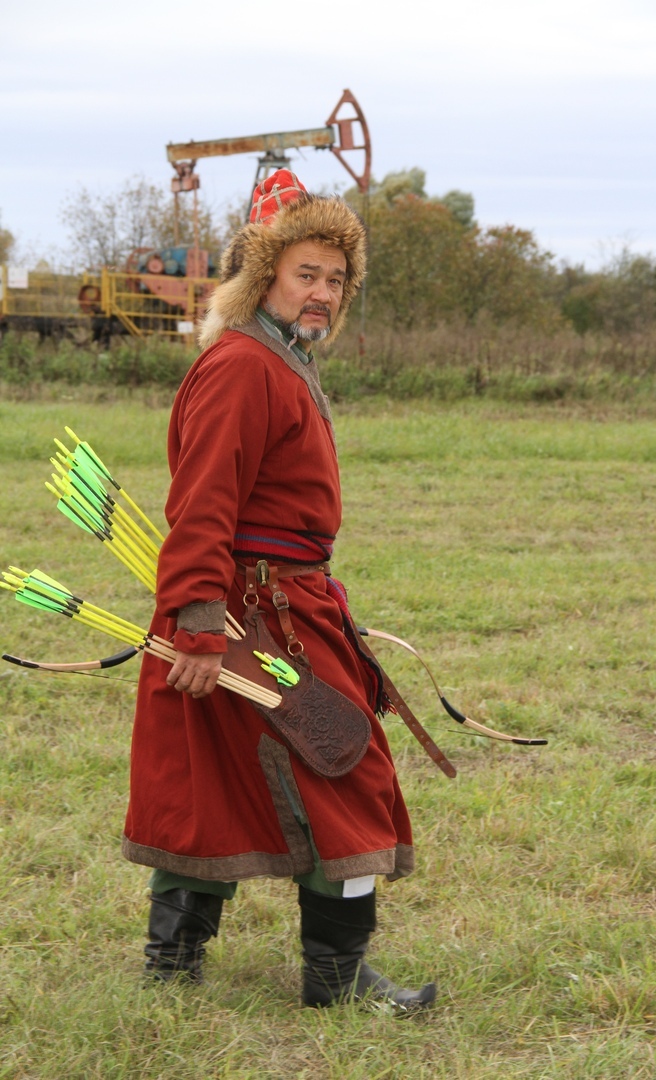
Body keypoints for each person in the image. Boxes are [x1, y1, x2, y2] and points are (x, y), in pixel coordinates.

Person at [122, 169, 436, 1010]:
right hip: (245, 615)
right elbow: (202, 502)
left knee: (216, 778)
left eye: (336, 279)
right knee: (346, 770)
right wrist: (197, 625)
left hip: (280, 605)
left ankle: (177, 969)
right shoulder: (242, 367)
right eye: (307, 273)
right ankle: (326, 983)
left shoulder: (277, 358)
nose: (324, 292)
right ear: (265, 276)